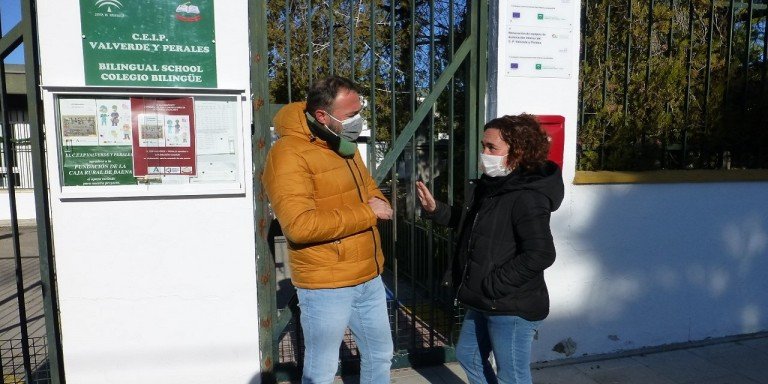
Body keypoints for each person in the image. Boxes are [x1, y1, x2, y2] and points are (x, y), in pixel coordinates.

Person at [262, 75, 394, 383]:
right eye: (351, 115)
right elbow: (299, 226)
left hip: (368, 275)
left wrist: (377, 203)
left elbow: (371, 191)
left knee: (381, 354)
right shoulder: (288, 154)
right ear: (323, 116)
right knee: (323, 369)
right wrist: (367, 212)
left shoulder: (342, 144)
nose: (358, 121)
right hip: (327, 283)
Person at [416, 114, 563, 384]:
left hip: (510, 304)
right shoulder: (492, 186)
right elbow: (474, 225)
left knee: (512, 376)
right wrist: (436, 210)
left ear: (518, 152)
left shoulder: (528, 196)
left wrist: (494, 284)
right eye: (483, 146)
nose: (484, 153)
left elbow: (541, 253)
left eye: (492, 148)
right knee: (468, 355)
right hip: (485, 299)